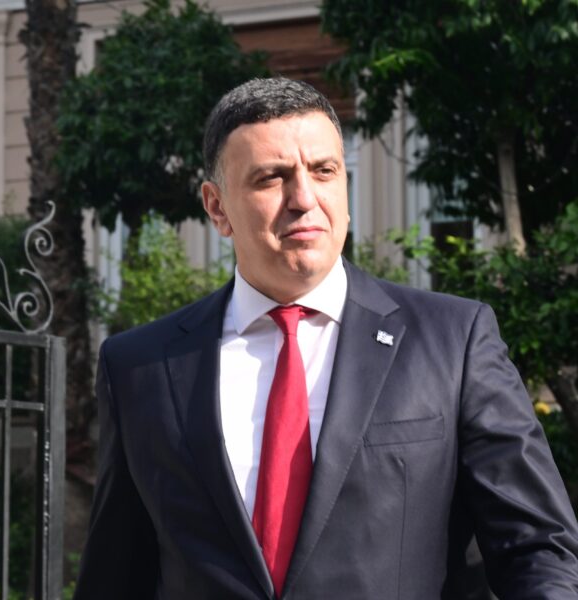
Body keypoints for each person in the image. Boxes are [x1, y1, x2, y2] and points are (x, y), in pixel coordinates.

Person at [73, 78, 578, 600]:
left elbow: (538, 547)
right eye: (271, 178)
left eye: (324, 171)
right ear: (217, 207)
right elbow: (116, 574)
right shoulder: (140, 366)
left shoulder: (453, 342)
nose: (304, 199)